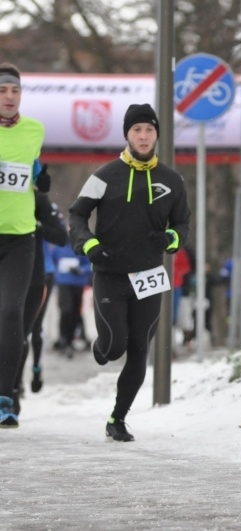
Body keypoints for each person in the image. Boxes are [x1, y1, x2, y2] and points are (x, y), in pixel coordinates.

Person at [69, 103, 191, 442]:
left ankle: (117, 418)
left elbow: (182, 222)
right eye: (136, 130)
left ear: (156, 135)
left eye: (149, 130)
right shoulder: (104, 176)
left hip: (149, 276)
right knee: (115, 347)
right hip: (110, 273)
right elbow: (77, 215)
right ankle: (102, 347)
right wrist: (88, 244)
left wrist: (173, 238)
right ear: (127, 134)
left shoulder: (171, 179)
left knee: (139, 350)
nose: (143, 135)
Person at [0, 63, 48, 428]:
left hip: (20, 237)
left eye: (15, 91)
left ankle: (7, 397)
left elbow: (33, 172)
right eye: (3, 90)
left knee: (11, 314)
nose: (10, 97)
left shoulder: (35, 130)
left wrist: (41, 176)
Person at [12, 191, 68, 413]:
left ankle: (24, 378)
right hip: (10, 271)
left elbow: (60, 236)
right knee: (10, 330)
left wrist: (35, 225)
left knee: (29, 331)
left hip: (40, 274)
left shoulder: (42, 202)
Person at [51, 242, 92, 358]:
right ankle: (64, 340)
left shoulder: (81, 248)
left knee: (75, 313)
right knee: (66, 311)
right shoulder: (59, 248)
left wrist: (81, 270)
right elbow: (52, 264)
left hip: (78, 284)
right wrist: (56, 274)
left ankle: (71, 339)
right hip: (63, 284)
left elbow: (89, 264)